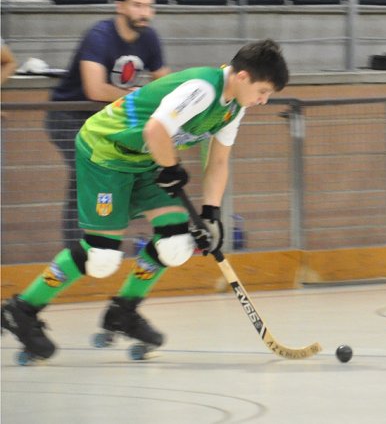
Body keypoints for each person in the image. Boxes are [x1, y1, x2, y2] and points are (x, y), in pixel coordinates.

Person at [1, 39, 289, 362]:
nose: (263, 101)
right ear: (243, 76)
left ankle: (122, 312)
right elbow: (155, 130)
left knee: (175, 244)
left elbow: (218, 161)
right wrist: (171, 168)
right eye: (263, 91)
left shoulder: (234, 108)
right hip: (106, 153)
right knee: (100, 256)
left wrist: (211, 214)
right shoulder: (202, 89)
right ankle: (21, 310)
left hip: (146, 159)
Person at [46, 0, 171, 244]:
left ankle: (98, 243)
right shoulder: (99, 36)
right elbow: (95, 90)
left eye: (149, 6)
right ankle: (79, 249)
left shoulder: (149, 38)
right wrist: (138, 98)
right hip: (68, 115)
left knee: (116, 173)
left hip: (106, 118)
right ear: (120, 6)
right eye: (137, 5)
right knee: (87, 174)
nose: (145, 13)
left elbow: (163, 83)